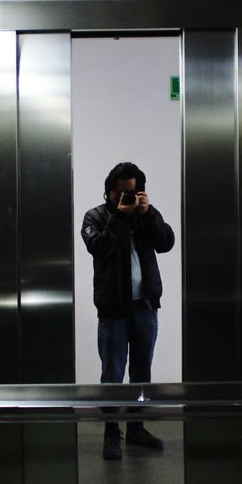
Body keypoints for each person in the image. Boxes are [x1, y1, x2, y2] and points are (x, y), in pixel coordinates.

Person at [81, 161, 176, 460]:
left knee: (141, 372)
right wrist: (120, 219)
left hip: (145, 305)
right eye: (122, 193)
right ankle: (112, 434)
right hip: (113, 309)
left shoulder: (145, 215)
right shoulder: (95, 217)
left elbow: (166, 243)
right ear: (110, 191)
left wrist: (148, 214)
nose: (127, 198)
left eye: (133, 193)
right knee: (112, 374)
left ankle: (136, 428)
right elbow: (98, 246)